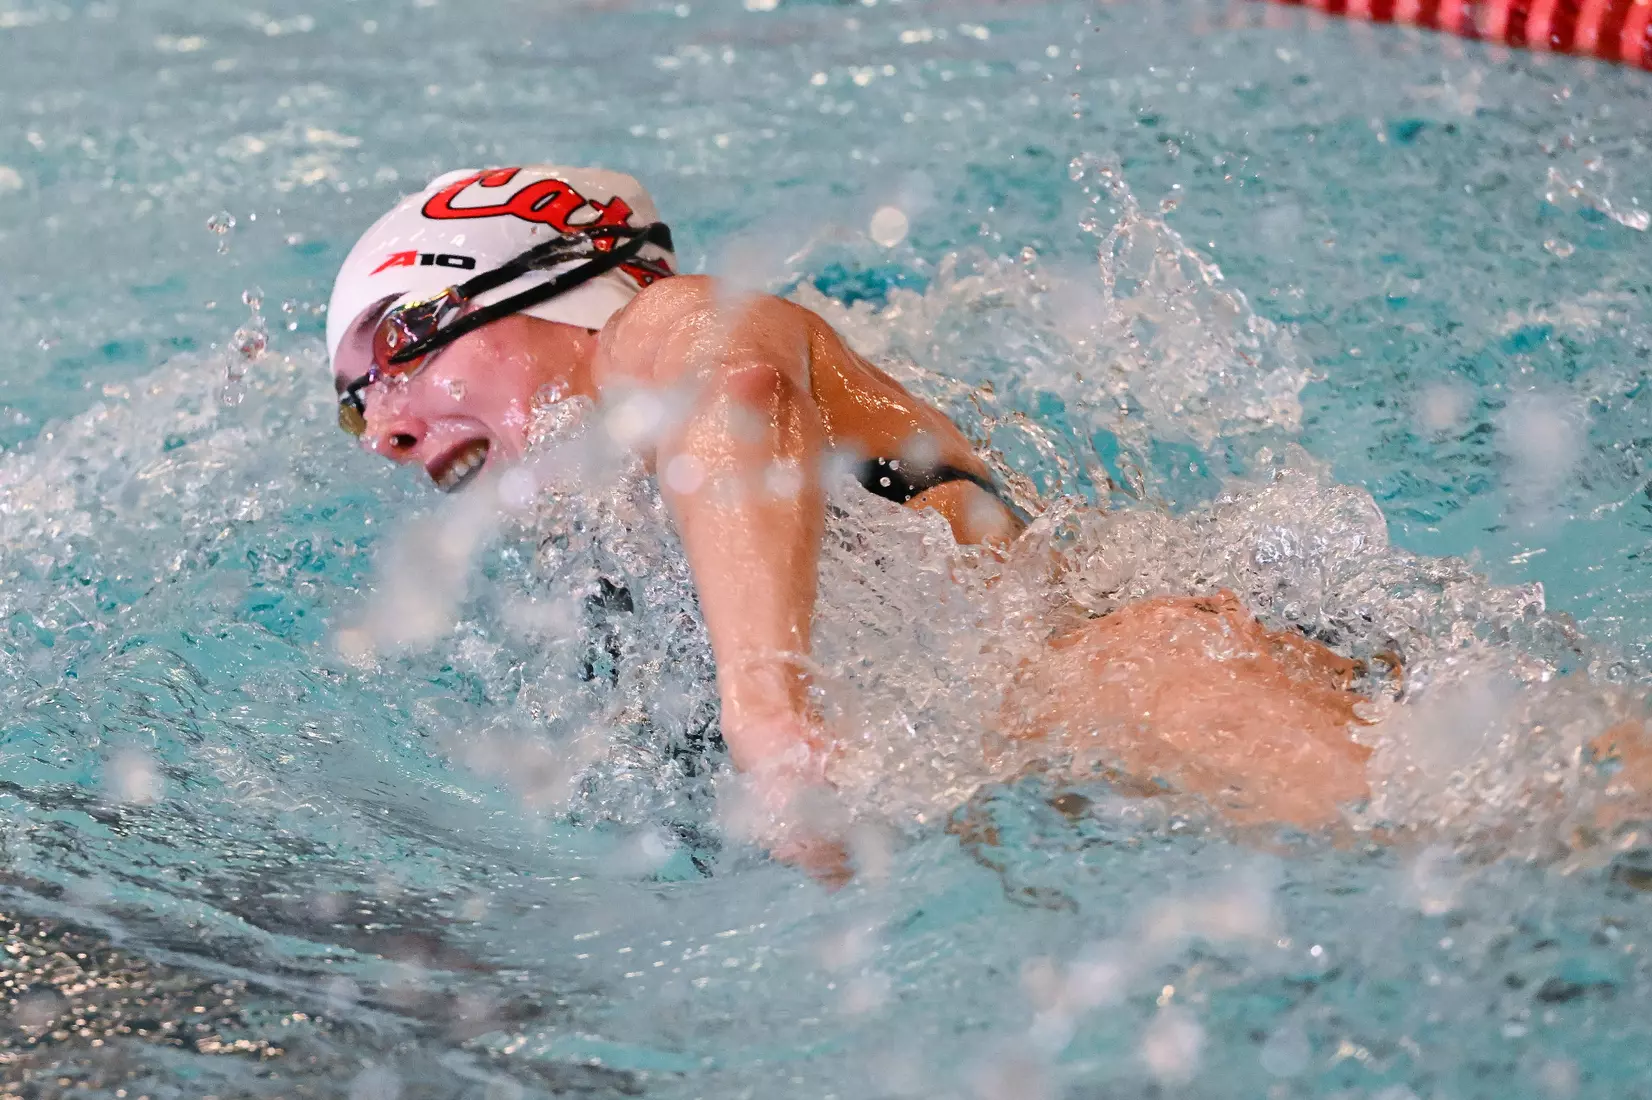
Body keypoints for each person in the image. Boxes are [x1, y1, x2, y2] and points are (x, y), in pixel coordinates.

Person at [320, 166, 1420, 874]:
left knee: (1559, 839)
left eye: (395, 347)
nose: (382, 429)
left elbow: (736, 387)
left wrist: (766, 714)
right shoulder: (607, 511)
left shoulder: (653, 328)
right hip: (1052, 768)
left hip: (1143, 682)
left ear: (543, 280)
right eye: (351, 402)